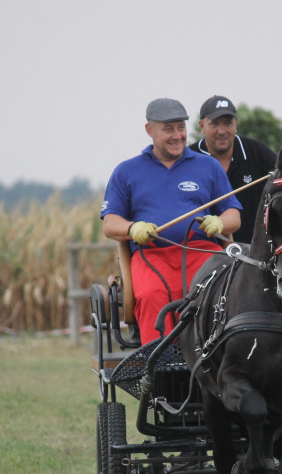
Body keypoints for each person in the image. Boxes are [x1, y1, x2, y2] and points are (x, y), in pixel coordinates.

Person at [101, 98, 241, 343]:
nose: (177, 136)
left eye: (181, 128)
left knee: (218, 292)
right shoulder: (126, 171)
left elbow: (234, 216)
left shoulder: (208, 166)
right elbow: (110, 223)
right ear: (150, 130)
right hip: (152, 255)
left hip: (203, 252)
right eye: (168, 129)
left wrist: (219, 222)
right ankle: (159, 366)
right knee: (152, 293)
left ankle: (216, 359)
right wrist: (133, 228)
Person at [189, 95, 277, 244]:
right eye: (215, 124)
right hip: (203, 254)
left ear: (236, 124)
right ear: (202, 126)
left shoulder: (257, 152)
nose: (222, 131)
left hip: (256, 255)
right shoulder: (189, 158)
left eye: (228, 124)